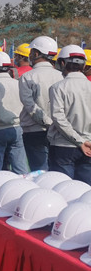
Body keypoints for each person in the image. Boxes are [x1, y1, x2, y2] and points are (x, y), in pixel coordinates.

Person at [48, 45, 91, 184]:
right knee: (86, 189)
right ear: (83, 65)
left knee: (64, 189)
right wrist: (85, 142)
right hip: (88, 146)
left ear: (62, 63)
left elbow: (58, 118)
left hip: (64, 146)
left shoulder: (57, 87)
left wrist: (79, 141)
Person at [19, 36, 61, 172]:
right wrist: (55, 124)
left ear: (36, 54)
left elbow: (30, 106)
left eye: (31, 52)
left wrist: (47, 122)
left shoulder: (27, 77)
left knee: (39, 171)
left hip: (34, 129)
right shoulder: (61, 76)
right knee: (56, 170)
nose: (30, 55)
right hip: (59, 130)